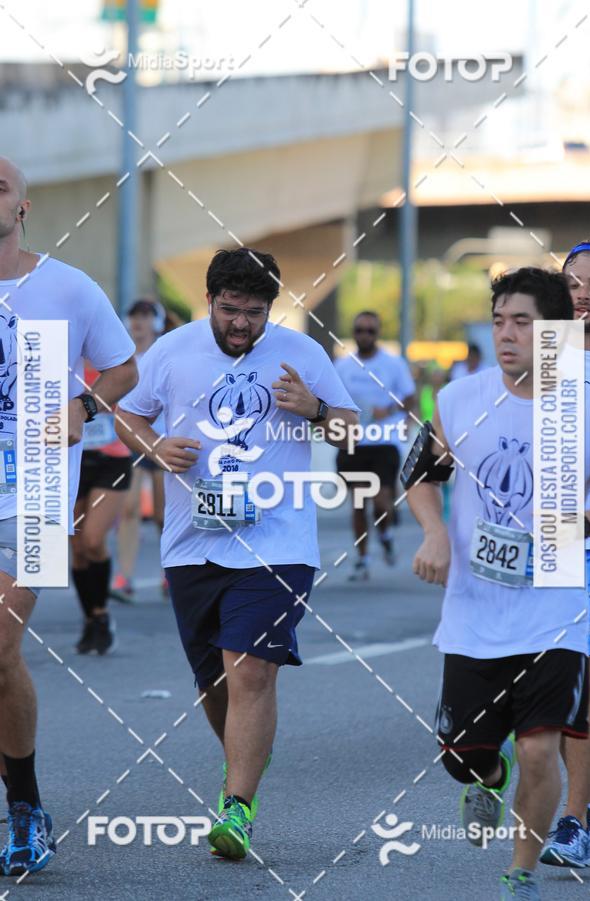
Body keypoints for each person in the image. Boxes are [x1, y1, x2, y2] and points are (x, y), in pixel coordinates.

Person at [116, 247, 359, 860]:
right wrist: (154, 447)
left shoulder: (301, 353)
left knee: (250, 669)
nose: (241, 324)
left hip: (278, 542)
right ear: (210, 302)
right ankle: (247, 755)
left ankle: (238, 807)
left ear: (271, 308)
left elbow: (352, 430)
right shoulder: (172, 351)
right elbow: (127, 413)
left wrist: (317, 410)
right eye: (230, 310)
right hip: (191, 543)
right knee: (214, 682)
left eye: (254, 312)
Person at [406, 267, 590, 899]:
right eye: (498, 321)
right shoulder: (461, 398)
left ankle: (519, 875)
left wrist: (580, 524)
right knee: (463, 757)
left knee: (542, 750)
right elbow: (419, 473)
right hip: (473, 614)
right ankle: (489, 775)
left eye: (522, 322)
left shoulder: (588, 408)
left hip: (554, 610)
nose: (507, 335)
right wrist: (434, 532)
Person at [0, 157, 136, 875]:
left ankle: (23, 808)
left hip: (34, 495)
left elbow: (123, 368)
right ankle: (22, 802)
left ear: (23, 205)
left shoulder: (66, 286)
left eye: (0, 182)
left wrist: (84, 405)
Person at [540, 237, 590, 867]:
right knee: (551, 680)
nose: (584, 294)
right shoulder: (542, 355)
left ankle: (575, 818)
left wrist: (582, 521)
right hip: (538, 542)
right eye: (574, 282)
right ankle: (586, 794)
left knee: (586, 675)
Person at [335, 311, 415, 580]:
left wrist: (389, 409)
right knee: (358, 504)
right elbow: (330, 399)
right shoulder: (343, 367)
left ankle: (385, 532)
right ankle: (363, 558)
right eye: (360, 330)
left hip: (384, 442)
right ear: (354, 333)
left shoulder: (393, 365)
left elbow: (411, 398)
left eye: (370, 330)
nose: (364, 335)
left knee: (381, 501)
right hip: (353, 443)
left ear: (377, 333)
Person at [71, 362, 133, 654]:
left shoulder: (113, 356)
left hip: (112, 460)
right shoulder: (62, 353)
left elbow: (132, 392)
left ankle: (103, 614)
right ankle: (91, 618)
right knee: (78, 548)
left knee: (93, 540)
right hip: (72, 458)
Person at [112, 299, 167, 601]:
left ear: (156, 324)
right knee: (129, 509)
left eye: (146, 316)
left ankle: (169, 572)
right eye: (134, 316)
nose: (139, 323)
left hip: (162, 438)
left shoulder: (164, 353)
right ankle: (125, 577)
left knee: (162, 514)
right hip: (131, 438)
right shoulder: (121, 355)